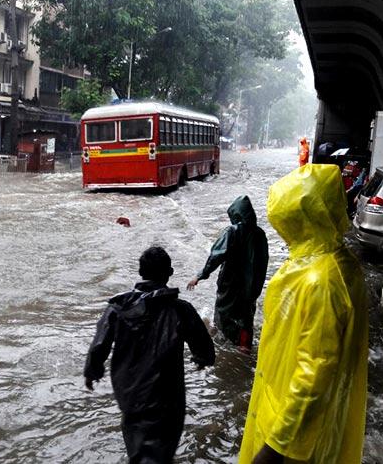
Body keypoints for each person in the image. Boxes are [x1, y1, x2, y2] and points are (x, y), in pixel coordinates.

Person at [239, 164, 368, 464]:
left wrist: (275, 447)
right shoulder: (329, 263)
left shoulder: (322, 280)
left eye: (288, 223)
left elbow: (314, 374)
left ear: (304, 220)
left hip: (293, 442)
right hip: (286, 418)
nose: (284, 233)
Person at [84, 246, 215, 463]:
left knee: (138, 446)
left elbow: (99, 344)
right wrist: (202, 360)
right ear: (170, 273)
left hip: (130, 393)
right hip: (168, 397)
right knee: (161, 450)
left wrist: (92, 371)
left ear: (140, 272)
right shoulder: (181, 309)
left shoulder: (118, 308)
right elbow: (203, 345)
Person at [187, 195, 268, 350]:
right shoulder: (260, 234)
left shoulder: (232, 231)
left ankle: (226, 345)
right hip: (253, 285)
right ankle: (245, 347)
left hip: (231, 283)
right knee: (247, 315)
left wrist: (200, 275)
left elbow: (216, 256)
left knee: (223, 315)